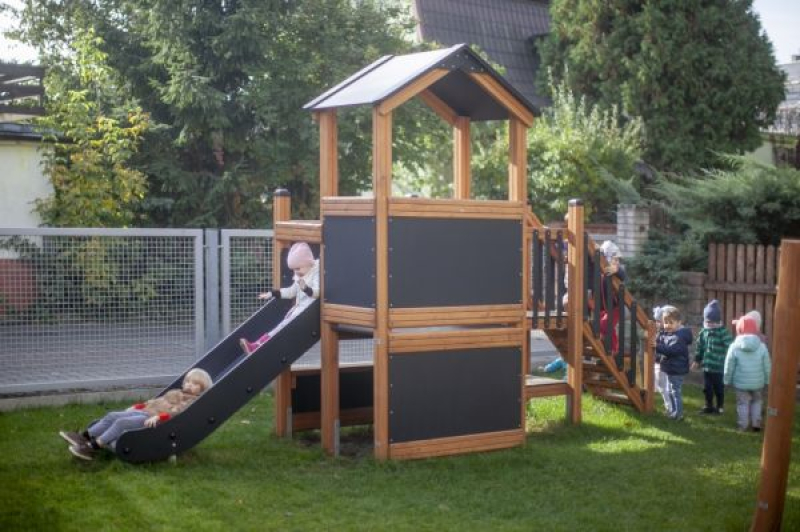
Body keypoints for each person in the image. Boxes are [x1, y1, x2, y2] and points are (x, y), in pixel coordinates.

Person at [59, 368, 213, 460]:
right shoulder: (176, 391)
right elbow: (155, 401)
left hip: (152, 419)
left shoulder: (191, 400)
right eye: (188, 382)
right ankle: (85, 436)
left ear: (201, 389)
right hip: (145, 411)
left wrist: (159, 417)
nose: (189, 386)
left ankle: (92, 447)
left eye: (195, 385)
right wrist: (138, 406)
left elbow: (178, 412)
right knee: (113, 415)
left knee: (121, 423)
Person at [240, 241, 320, 354]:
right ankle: (256, 346)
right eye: (293, 270)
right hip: (297, 312)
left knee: (280, 329)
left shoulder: (317, 272)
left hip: (307, 315)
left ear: (308, 264)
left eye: (298, 268)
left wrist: (306, 289)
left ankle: (256, 347)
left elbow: (318, 292)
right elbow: (291, 292)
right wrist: (272, 293)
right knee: (278, 328)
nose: (296, 272)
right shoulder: (301, 274)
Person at [724, 315, 771, 432]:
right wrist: (768, 380)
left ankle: (743, 425)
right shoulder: (762, 346)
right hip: (758, 383)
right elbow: (767, 365)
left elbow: (728, 365)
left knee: (742, 403)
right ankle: (756, 424)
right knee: (757, 401)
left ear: (739, 330)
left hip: (741, 383)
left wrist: (726, 380)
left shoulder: (734, 346)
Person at [693, 300, 733, 414]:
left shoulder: (723, 332)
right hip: (707, 367)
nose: (710, 324)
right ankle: (708, 405)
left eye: (713, 322)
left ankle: (720, 407)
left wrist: (725, 359)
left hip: (719, 368)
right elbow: (699, 347)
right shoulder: (703, 332)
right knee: (707, 388)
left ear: (718, 321)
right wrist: (697, 360)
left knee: (719, 389)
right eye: (707, 321)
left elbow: (730, 347)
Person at [655, 306, 692, 420]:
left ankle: (678, 414)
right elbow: (662, 339)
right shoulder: (669, 333)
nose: (668, 325)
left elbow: (671, 350)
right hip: (672, 368)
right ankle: (674, 411)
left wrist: (658, 346)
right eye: (665, 322)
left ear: (679, 323)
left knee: (675, 392)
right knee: (671, 391)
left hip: (677, 369)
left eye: (671, 322)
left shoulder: (679, 337)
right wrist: (658, 336)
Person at [598, 240, 626, 354]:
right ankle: (609, 350)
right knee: (606, 327)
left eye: (618, 260)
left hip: (615, 308)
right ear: (607, 258)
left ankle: (613, 350)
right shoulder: (601, 271)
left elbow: (623, 275)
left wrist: (617, 269)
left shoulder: (614, 272)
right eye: (615, 259)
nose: (617, 262)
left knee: (604, 325)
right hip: (604, 308)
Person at [652, 305, 676, 414]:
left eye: (659, 321)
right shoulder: (660, 332)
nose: (657, 323)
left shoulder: (667, 333)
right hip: (659, 362)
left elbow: (666, 349)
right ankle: (670, 406)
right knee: (662, 386)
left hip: (664, 363)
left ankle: (670, 408)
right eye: (656, 321)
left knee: (664, 387)